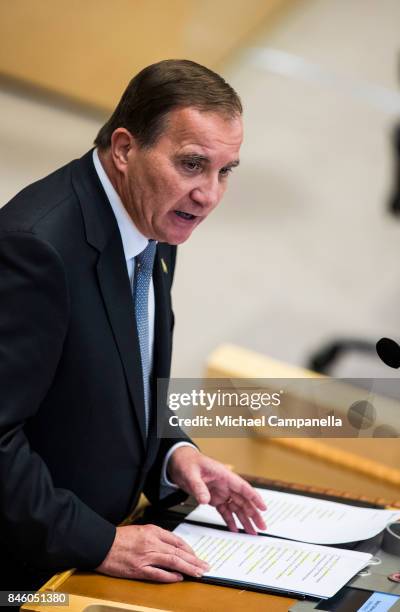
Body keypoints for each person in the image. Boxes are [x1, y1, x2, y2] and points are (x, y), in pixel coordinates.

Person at [0, 59, 266, 590]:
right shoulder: (35, 250)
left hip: (96, 539)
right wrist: (99, 542)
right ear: (124, 149)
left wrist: (173, 453)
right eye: (191, 165)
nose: (209, 194)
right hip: (23, 580)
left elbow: (119, 373)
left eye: (225, 170)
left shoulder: (153, 225)